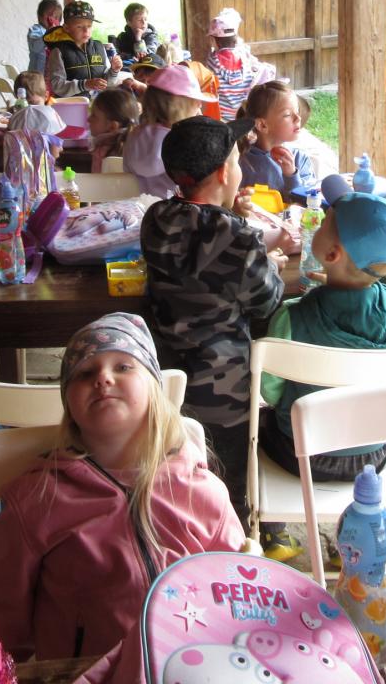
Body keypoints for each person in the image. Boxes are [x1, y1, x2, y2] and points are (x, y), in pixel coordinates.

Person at [0, 313, 244, 661]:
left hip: (190, 668)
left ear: (154, 389)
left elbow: (241, 592)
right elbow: (1, 623)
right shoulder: (36, 501)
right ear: (69, 406)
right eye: (84, 373)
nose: (103, 377)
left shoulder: (200, 490)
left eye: (124, 367)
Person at [142, 115, 286, 525]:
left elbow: (195, 238)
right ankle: (231, 534)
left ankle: (174, 524)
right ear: (225, 173)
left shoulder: (156, 220)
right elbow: (267, 301)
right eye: (237, 161)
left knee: (177, 465)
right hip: (224, 390)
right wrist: (269, 262)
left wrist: (230, 215)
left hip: (166, 379)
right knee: (226, 475)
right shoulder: (239, 238)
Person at [257, 192, 386, 561]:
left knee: (255, 423)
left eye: (325, 222)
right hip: (373, 456)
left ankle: (274, 535)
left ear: (331, 255)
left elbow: (270, 391)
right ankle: (354, 539)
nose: (318, 224)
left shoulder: (292, 315)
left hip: (303, 455)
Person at [122, 65, 216, 198]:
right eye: (195, 100)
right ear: (179, 105)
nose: (200, 105)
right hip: (173, 209)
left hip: (133, 207)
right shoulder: (183, 142)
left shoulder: (135, 134)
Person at [236, 81, 316, 195]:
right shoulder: (241, 162)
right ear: (262, 125)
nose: (298, 118)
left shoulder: (300, 159)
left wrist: (291, 174)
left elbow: (310, 200)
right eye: (287, 114)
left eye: (297, 111)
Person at [205, 7, 273, 121]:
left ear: (213, 40)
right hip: (243, 114)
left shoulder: (212, 62)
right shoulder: (246, 58)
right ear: (236, 39)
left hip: (222, 118)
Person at [43, 1, 121, 98]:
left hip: (97, 103)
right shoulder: (58, 51)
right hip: (71, 104)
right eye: (79, 26)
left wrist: (114, 71)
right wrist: (85, 84)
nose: (86, 31)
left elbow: (107, 83)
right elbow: (57, 86)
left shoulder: (99, 47)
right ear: (66, 28)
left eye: (89, 26)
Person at [88, 88, 140, 172]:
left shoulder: (102, 153)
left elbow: (96, 179)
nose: (88, 119)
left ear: (112, 127)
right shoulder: (136, 146)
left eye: (94, 115)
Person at [7, 71, 67, 137]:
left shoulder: (49, 115)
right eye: (23, 104)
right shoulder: (15, 117)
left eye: (33, 103)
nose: (29, 109)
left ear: (46, 96)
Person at [26, 0, 62, 74]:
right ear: (40, 16)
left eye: (56, 17)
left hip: (51, 76)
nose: (51, 18)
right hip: (35, 76)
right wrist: (48, 33)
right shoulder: (36, 29)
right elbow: (35, 47)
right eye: (49, 14)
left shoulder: (59, 35)